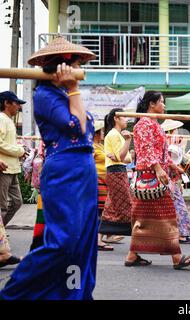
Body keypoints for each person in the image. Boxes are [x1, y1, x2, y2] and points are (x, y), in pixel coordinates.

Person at [0, 37, 98, 299]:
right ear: (62, 65)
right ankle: (12, 293)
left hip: (85, 170)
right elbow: (77, 128)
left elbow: (88, 129)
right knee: (63, 241)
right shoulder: (44, 94)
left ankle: (74, 292)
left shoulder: (66, 93)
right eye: (76, 64)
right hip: (64, 171)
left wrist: (72, 89)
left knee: (82, 241)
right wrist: (74, 87)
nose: (78, 69)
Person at [126, 91, 190, 269]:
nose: (164, 106)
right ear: (152, 104)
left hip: (154, 175)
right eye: (161, 102)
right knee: (166, 215)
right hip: (150, 176)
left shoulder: (154, 124)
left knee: (144, 218)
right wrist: (159, 169)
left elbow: (161, 152)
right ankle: (176, 257)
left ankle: (132, 255)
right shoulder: (144, 124)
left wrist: (172, 166)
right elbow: (147, 149)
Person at [98, 108, 133, 236]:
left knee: (111, 205)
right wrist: (128, 141)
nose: (127, 119)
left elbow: (127, 158)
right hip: (116, 172)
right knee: (127, 204)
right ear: (116, 118)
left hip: (118, 171)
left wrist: (121, 155)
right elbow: (123, 157)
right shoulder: (114, 135)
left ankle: (99, 238)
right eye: (124, 117)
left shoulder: (118, 135)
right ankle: (135, 233)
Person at [161, 119, 190, 244]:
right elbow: (170, 163)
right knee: (178, 207)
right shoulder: (169, 147)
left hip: (173, 179)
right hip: (170, 179)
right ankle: (180, 233)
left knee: (177, 206)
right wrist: (179, 169)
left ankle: (180, 232)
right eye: (175, 130)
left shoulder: (172, 146)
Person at [0, 91, 27, 227]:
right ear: (6, 103)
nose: (19, 107)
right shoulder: (1, 118)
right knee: (2, 207)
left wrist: (20, 150)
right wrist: (19, 150)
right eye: (17, 103)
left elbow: (7, 143)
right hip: (3, 169)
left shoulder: (8, 120)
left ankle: (1, 233)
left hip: (12, 169)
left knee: (17, 203)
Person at [0, 160, 21, 269]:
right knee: (1, 209)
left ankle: (3, 253)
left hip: (12, 168)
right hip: (4, 168)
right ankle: (3, 254)